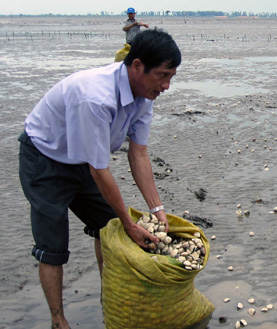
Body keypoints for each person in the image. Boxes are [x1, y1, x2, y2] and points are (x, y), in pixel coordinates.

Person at [18, 28, 181, 329]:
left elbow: (139, 154)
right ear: (137, 66)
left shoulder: (145, 97)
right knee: (53, 245)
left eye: (171, 76)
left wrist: (157, 210)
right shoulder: (95, 97)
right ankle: (58, 320)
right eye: (162, 75)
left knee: (107, 226)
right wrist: (132, 225)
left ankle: (111, 295)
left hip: (82, 159)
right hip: (45, 159)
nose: (167, 85)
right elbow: (99, 169)